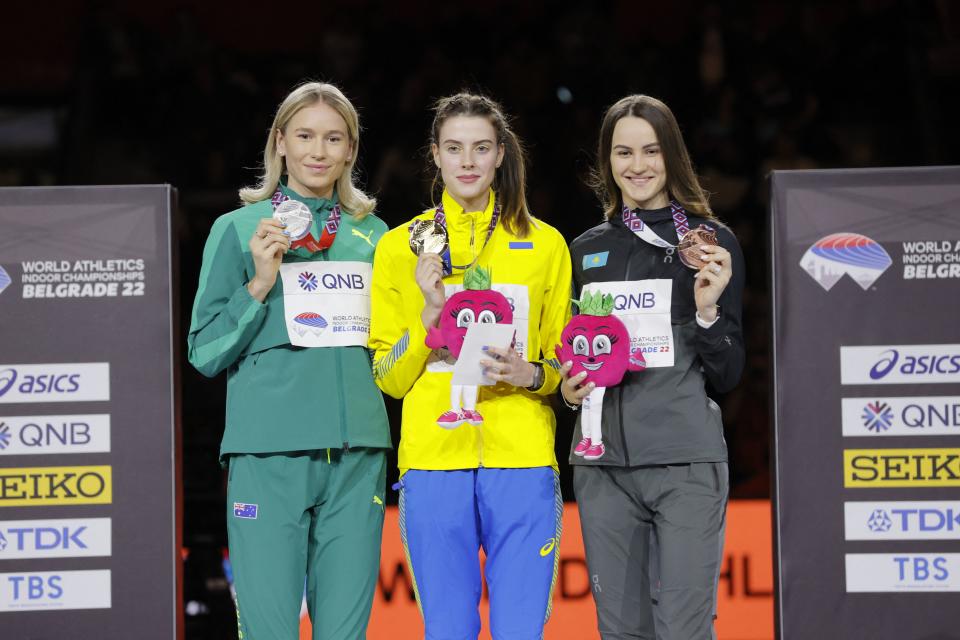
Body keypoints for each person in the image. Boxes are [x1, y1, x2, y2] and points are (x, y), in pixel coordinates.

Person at [187, 81, 391, 640]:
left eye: (333, 138)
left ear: (351, 149)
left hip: (357, 456)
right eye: (304, 136)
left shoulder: (376, 237)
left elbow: (394, 347)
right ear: (280, 142)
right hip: (267, 452)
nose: (317, 151)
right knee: (270, 630)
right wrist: (258, 283)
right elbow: (203, 351)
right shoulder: (235, 230)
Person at [369, 92, 571, 640]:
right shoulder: (397, 248)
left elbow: (563, 361)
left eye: (481, 148)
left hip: (523, 458)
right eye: (454, 148)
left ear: (501, 154)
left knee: (520, 631)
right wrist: (429, 316)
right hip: (433, 461)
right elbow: (388, 376)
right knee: (449, 630)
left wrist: (529, 374)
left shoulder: (546, 244)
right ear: (435, 154)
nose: (467, 161)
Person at [561, 94, 745, 640]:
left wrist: (708, 310)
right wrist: (569, 389)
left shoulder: (709, 243)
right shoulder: (585, 250)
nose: (637, 165)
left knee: (684, 631)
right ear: (607, 161)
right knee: (621, 632)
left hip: (684, 463)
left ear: (673, 157)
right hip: (602, 469)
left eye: (651, 150)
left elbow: (730, 373)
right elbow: (570, 354)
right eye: (623, 152)